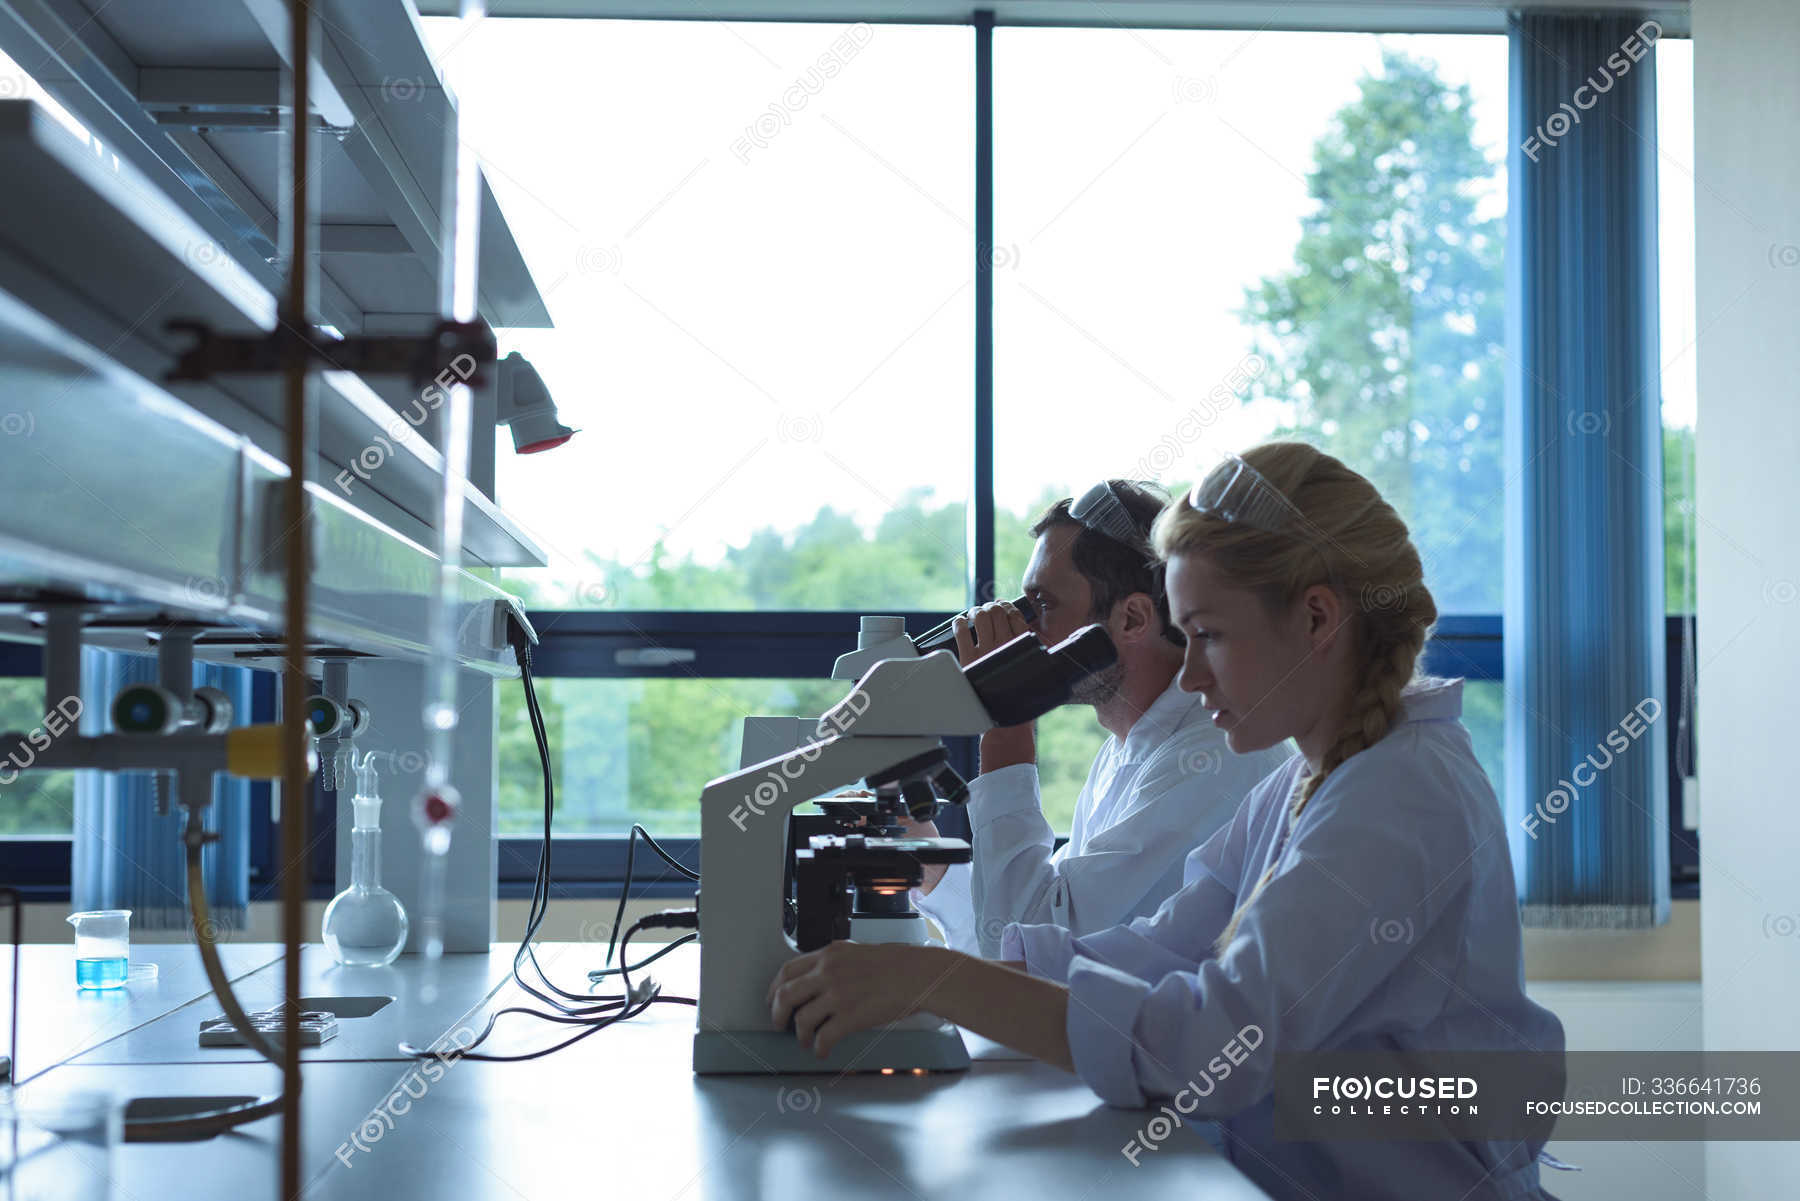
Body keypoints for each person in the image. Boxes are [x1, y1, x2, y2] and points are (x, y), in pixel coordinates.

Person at [770, 443, 1567, 1201]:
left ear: (1318, 619)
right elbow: (1152, 947)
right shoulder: (1305, 776)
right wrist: (922, 983)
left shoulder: (1398, 794)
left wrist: (934, 982)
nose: (1188, 672)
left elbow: (1210, 1047)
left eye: (1209, 635)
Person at [909, 479, 1289, 956]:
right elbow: (1010, 928)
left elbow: (1033, 955)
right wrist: (930, 865)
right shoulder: (1128, 750)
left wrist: (1007, 726)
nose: (1025, 627)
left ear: (1131, 619)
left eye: (1043, 605)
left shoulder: (1213, 757)